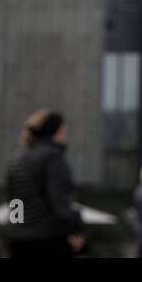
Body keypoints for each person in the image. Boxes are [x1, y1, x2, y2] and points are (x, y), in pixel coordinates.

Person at [5, 110, 86, 258]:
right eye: (63, 131)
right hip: (48, 238)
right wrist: (76, 228)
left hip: (18, 240)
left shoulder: (17, 161)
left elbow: (15, 202)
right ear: (56, 132)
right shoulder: (52, 157)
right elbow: (59, 200)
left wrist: (17, 229)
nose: (65, 135)